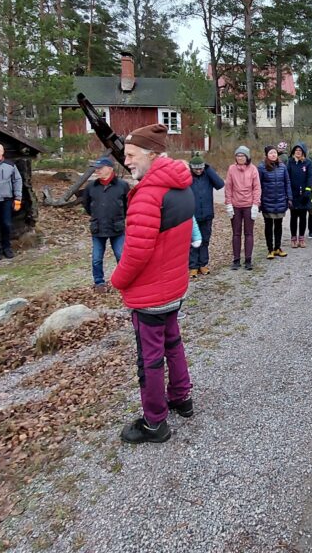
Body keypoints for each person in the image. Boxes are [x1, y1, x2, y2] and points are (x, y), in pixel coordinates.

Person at [111, 124, 195, 444]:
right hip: (173, 286)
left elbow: (136, 253)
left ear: (152, 154)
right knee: (173, 343)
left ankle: (154, 422)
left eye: (132, 155)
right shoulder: (181, 184)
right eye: (125, 155)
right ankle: (181, 398)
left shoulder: (147, 195)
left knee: (150, 359)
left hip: (150, 295)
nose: (126, 161)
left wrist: (118, 280)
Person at [82, 156, 129, 291]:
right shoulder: (91, 187)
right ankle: (99, 283)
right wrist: (97, 216)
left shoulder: (122, 185)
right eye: (96, 169)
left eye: (100, 168)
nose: (98, 171)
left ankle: (123, 282)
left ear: (110, 168)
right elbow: (86, 205)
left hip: (117, 228)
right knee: (96, 258)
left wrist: (119, 218)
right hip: (98, 228)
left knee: (121, 256)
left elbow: (128, 205)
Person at [224, 145, 260, 271]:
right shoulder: (231, 169)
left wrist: (256, 204)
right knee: (236, 233)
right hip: (235, 205)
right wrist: (228, 204)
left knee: (249, 233)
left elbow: (256, 188)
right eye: (238, 155)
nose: (240, 158)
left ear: (247, 157)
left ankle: (248, 259)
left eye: (242, 155)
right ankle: (236, 259)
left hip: (249, 205)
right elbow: (228, 188)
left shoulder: (253, 169)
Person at [188, 152, 224, 277]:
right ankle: (193, 266)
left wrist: (208, 169)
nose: (198, 171)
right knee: (193, 241)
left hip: (207, 214)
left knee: (205, 240)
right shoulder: (187, 177)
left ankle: (203, 264)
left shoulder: (208, 175)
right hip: (192, 215)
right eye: (196, 168)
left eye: (201, 168)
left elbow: (220, 184)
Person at [259, 145, 292, 259]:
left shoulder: (282, 166)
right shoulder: (262, 167)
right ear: (266, 155)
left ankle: (278, 247)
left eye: (274, 153)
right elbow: (258, 185)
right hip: (267, 200)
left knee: (278, 225)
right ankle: (270, 249)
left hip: (280, 200)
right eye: (271, 153)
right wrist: (259, 200)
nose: (273, 155)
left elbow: (287, 182)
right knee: (268, 225)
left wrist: (289, 197)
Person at [285, 142, 312, 249]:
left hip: (304, 195)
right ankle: (293, 239)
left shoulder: (308, 163)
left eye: (300, 151)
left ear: (303, 152)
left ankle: (301, 238)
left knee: (303, 217)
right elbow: (287, 178)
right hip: (293, 194)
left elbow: (310, 178)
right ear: (293, 152)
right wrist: (288, 194)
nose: (298, 152)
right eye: (296, 150)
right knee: (293, 217)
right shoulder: (290, 162)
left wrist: (307, 191)